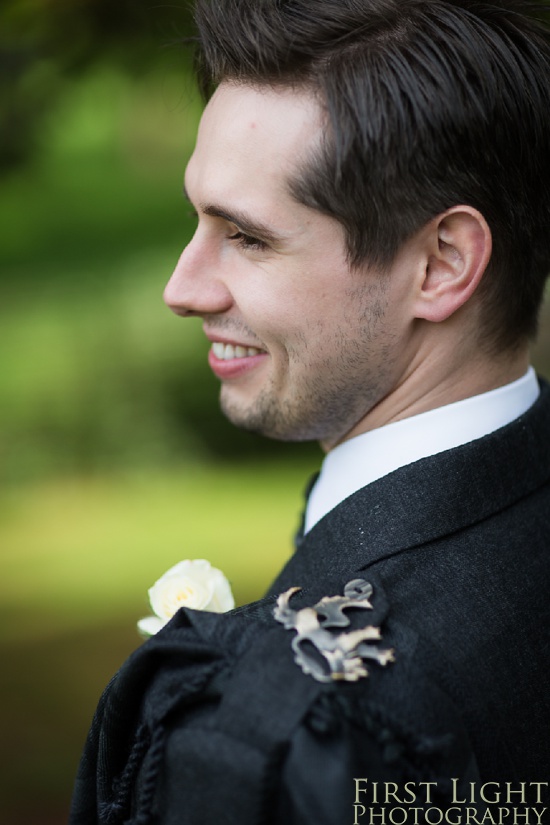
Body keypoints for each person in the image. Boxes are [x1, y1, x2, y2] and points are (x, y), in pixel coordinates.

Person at [70, 1, 550, 823]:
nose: (182, 289)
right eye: (198, 219)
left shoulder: (291, 738)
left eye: (248, 238)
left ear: (441, 264)